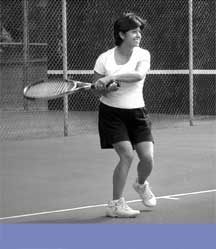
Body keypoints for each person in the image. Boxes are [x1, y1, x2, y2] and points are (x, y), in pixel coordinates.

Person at [93, 13, 156, 218]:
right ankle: (115, 205)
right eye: (133, 32)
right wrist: (105, 88)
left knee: (147, 159)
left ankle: (140, 184)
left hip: (137, 112)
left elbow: (138, 75)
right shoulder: (104, 58)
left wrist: (112, 77)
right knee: (127, 155)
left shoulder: (142, 54)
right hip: (112, 114)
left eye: (139, 31)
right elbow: (97, 89)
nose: (138, 35)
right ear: (121, 34)